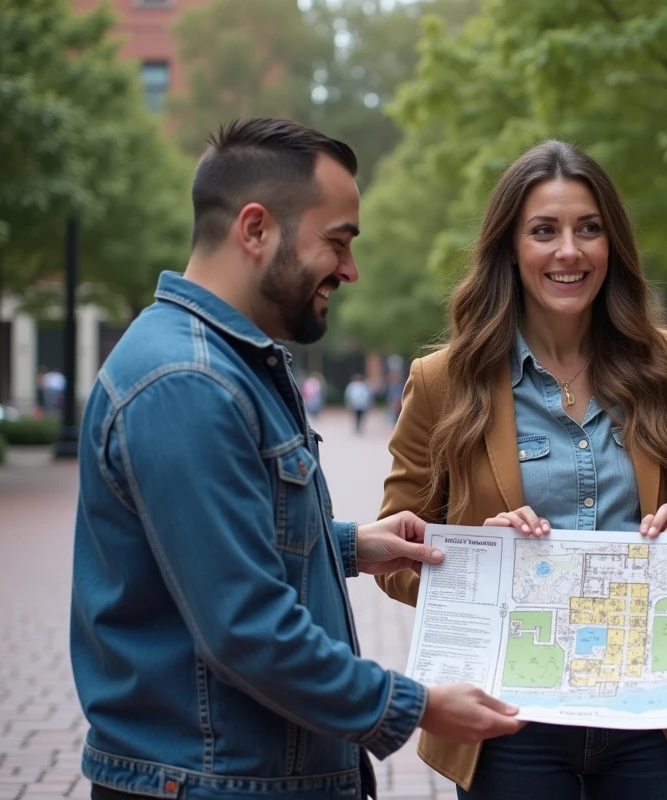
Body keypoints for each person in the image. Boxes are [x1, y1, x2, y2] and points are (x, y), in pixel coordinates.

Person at [71, 118, 522, 800]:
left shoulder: (223, 362)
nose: (350, 269)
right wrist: (418, 705)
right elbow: (246, 628)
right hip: (220, 783)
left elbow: (220, 550)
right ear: (255, 229)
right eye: (337, 241)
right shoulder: (190, 382)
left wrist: (350, 547)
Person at [375, 140, 667, 799]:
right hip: (509, 722)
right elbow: (393, 555)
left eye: (589, 229)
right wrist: (480, 561)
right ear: (510, 248)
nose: (569, 251)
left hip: (654, 715)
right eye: (544, 231)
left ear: (612, 244)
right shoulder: (442, 381)